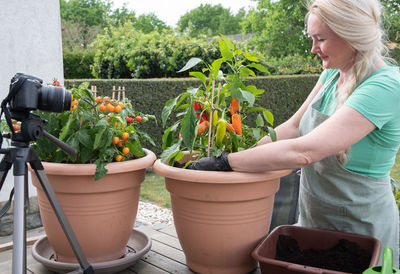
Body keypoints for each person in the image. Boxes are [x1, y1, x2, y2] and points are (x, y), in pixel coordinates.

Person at [189, 0, 400, 266]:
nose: (313, 49)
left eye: (320, 39)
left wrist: (224, 163)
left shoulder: (386, 86)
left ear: (351, 35)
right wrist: (246, 155)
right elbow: (292, 128)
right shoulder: (333, 75)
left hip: (363, 235)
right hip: (315, 225)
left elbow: (305, 151)